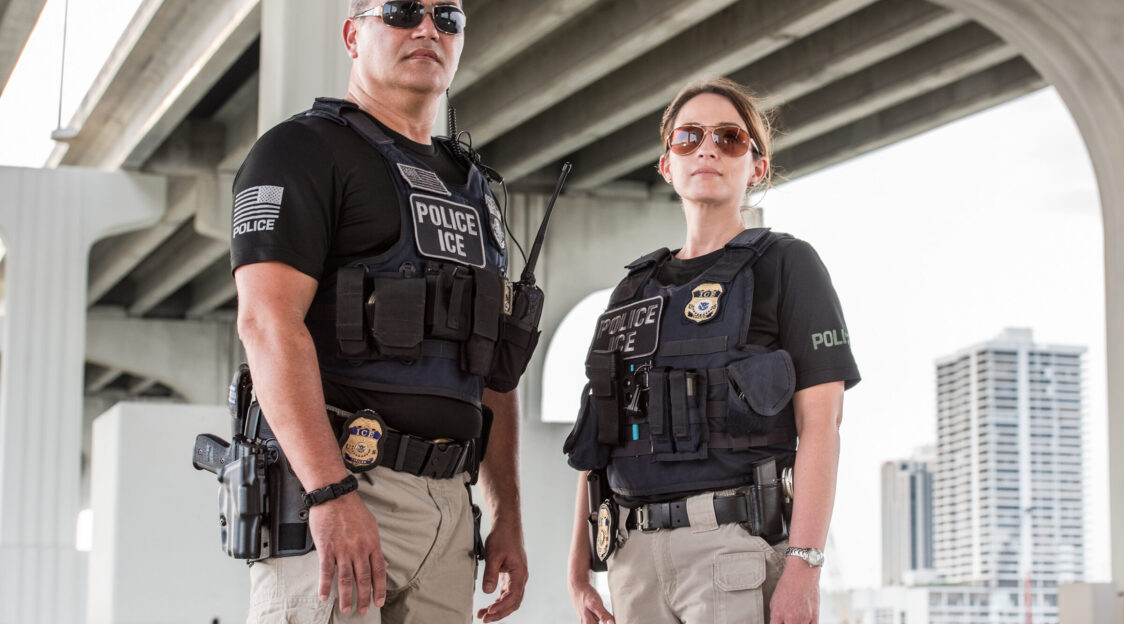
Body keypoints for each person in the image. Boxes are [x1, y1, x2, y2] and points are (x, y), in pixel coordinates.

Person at [230, 1, 528, 622]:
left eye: (447, 17)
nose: (427, 29)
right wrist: (329, 491)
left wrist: (507, 514)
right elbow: (266, 323)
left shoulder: (474, 191)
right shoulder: (300, 152)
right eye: (400, 11)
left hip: (450, 509)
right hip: (343, 486)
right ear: (352, 33)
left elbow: (493, 370)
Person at [564, 78, 860, 624]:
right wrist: (578, 572)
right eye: (688, 137)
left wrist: (804, 566)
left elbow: (823, 425)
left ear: (757, 167)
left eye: (730, 138)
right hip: (633, 559)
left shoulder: (787, 265)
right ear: (666, 164)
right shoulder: (631, 290)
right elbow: (597, 436)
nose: (707, 149)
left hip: (735, 552)